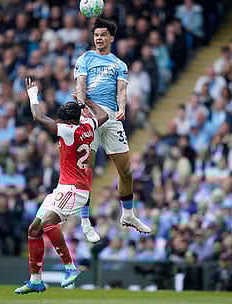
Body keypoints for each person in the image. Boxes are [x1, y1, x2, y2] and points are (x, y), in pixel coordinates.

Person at [14, 78, 108, 294]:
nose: (58, 121)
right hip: (65, 188)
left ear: (67, 122)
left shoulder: (69, 130)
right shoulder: (88, 126)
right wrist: (88, 103)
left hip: (73, 189)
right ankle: (36, 280)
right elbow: (102, 115)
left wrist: (33, 93)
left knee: (47, 225)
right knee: (34, 229)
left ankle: (70, 266)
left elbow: (38, 116)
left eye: (60, 119)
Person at [74, 18, 151, 241]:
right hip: (89, 115)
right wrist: (81, 106)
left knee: (125, 170)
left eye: (103, 35)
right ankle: (85, 221)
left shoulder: (120, 64)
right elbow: (80, 86)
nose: (99, 38)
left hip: (111, 117)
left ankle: (128, 214)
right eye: (96, 34)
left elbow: (122, 90)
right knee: (86, 171)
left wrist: (122, 109)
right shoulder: (85, 59)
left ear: (111, 38)